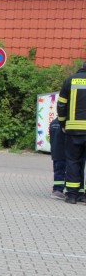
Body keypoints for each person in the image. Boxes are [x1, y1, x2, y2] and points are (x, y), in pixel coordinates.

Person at [57, 60, 86, 204]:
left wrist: (62, 123)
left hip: (73, 130)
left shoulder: (70, 80)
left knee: (73, 161)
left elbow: (61, 105)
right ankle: (83, 195)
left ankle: (72, 195)